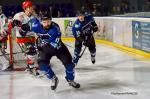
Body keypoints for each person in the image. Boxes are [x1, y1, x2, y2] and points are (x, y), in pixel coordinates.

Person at [30, 12, 80, 90]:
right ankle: (54, 78)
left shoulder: (55, 28)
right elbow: (25, 28)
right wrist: (22, 27)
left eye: (48, 21)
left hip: (58, 49)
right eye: (44, 22)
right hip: (45, 49)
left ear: (51, 20)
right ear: (40, 22)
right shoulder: (35, 25)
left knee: (70, 66)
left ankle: (70, 79)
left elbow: (53, 45)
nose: (47, 24)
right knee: (42, 66)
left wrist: (37, 46)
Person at [11, 1, 39, 75]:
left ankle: (29, 66)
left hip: (32, 38)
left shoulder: (34, 17)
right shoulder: (19, 15)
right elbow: (12, 25)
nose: (33, 8)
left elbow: (38, 28)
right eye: (31, 7)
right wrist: (14, 23)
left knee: (36, 52)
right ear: (26, 8)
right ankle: (31, 68)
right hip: (22, 38)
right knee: (31, 51)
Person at [0, 5, 11, 71]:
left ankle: (6, 64)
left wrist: (3, 34)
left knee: (1, 51)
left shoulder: (3, 17)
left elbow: (5, 28)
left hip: (2, 36)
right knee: (2, 51)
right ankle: (7, 63)